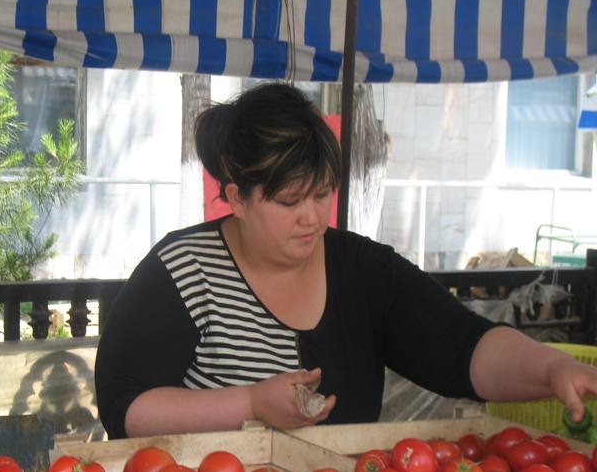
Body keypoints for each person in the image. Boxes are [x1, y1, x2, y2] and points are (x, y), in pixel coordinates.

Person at [94, 82, 597, 440]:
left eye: (323, 194)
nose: (312, 218)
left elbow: (464, 349)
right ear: (237, 198)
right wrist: (248, 404)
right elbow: (125, 407)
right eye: (290, 202)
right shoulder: (183, 270)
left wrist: (552, 367)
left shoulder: (363, 272)